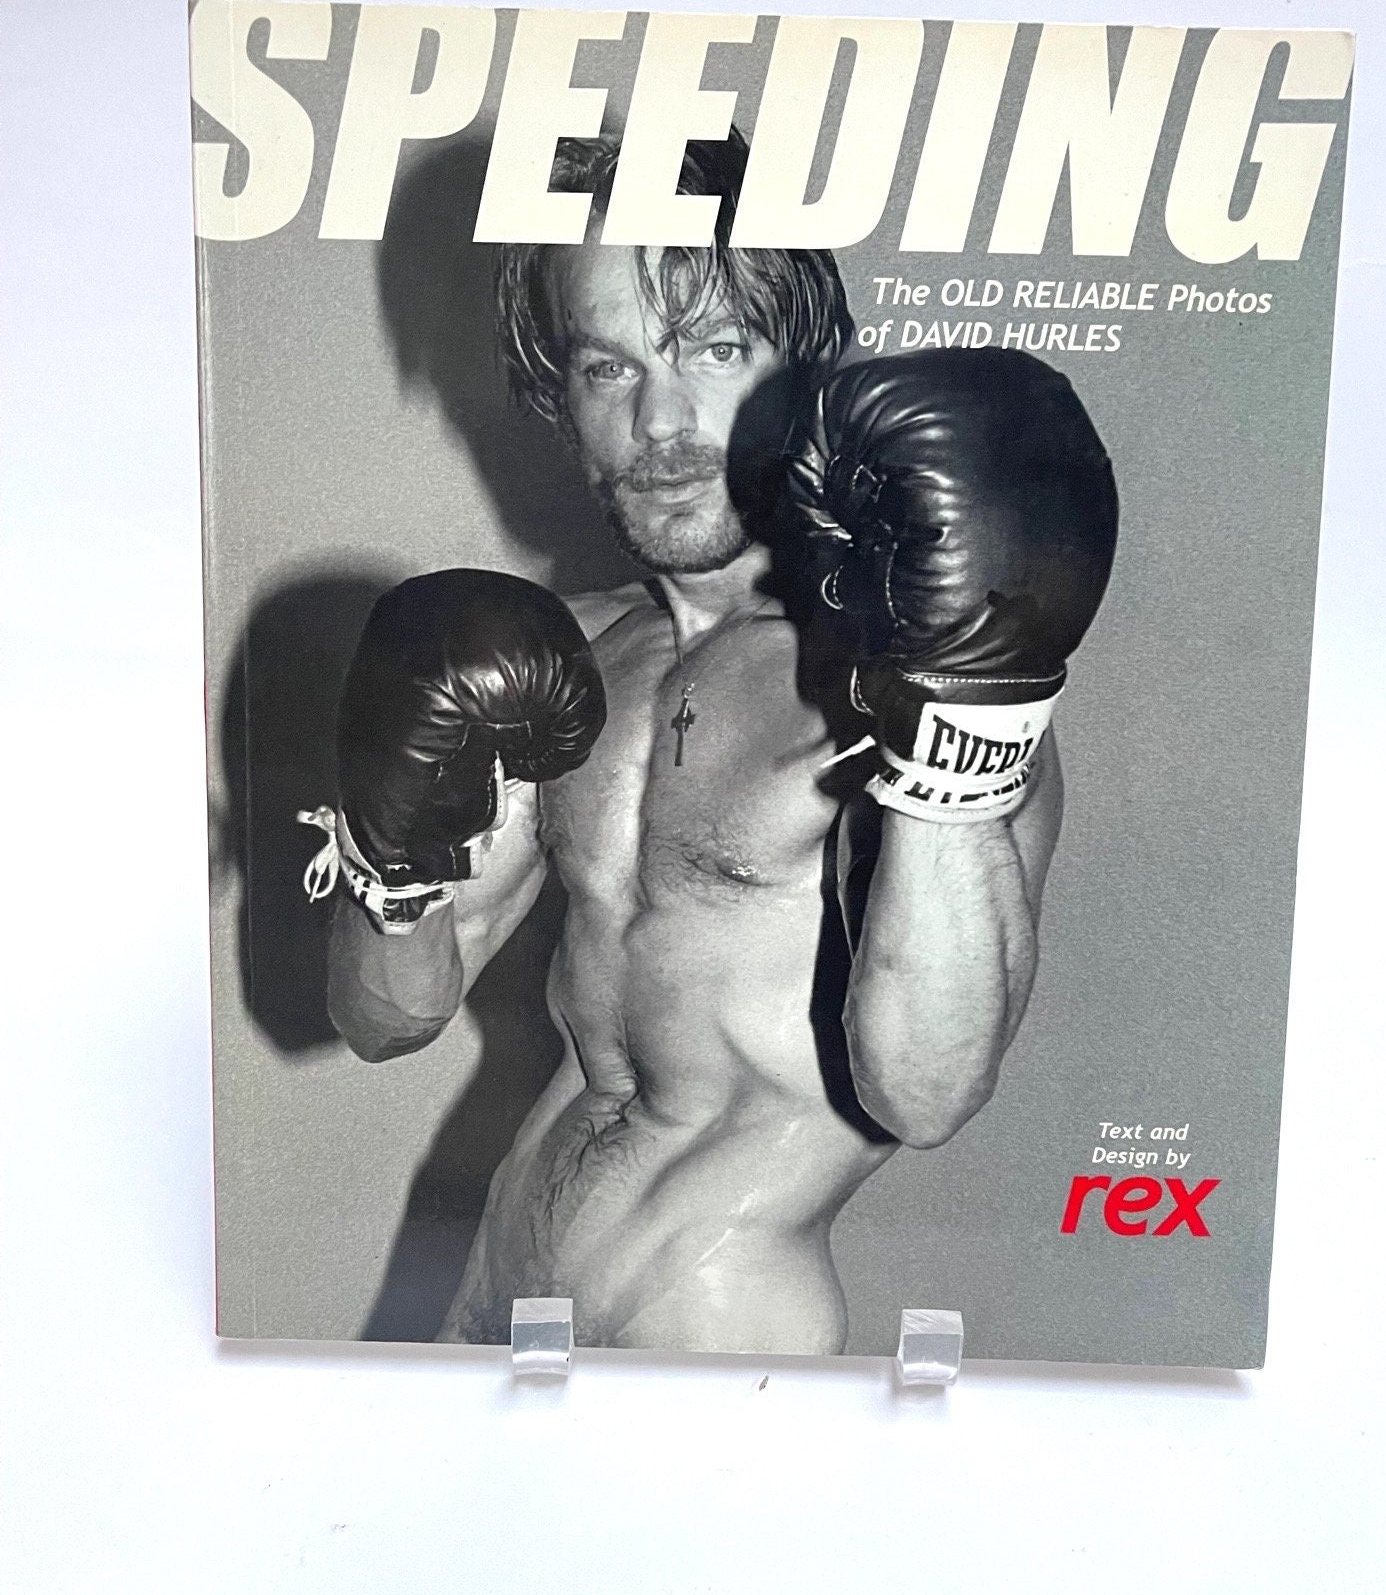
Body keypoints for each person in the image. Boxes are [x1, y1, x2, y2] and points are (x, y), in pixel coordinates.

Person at [310, 136, 1118, 1353]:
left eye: (717, 348)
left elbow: (928, 1092)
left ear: (810, 366)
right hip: (489, 1299)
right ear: (561, 395)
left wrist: (974, 709)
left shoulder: (902, 688)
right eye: (609, 365)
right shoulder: (572, 655)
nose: (662, 418)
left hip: (714, 1322)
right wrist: (389, 850)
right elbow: (389, 1020)